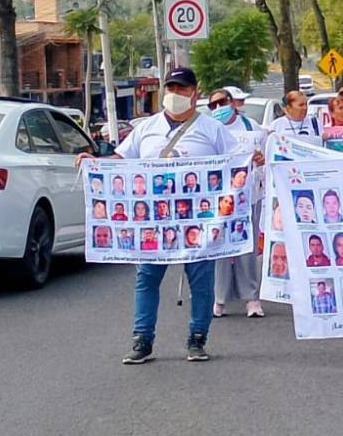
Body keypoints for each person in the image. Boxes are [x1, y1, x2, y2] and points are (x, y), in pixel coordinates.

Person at [75, 66, 236, 365]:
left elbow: (237, 163)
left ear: (194, 92)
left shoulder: (213, 130)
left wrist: (255, 160)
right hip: (152, 222)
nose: (176, 95)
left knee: (201, 282)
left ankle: (197, 338)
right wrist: (94, 162)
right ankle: (142, 340)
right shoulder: (146, 128)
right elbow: (119, 160)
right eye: (171, 88)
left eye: (182, 89)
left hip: (197, 222)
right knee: (146, 278)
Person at [208, 87, 269, 319]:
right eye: (212, 105)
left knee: (247, 247)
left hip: (248, 197)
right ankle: (220, 299)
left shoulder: (251, 128)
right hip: (219, 200)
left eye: (221, 102)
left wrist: (261, 162)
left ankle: (252, 299)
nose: (217, 108)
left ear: (232, 102)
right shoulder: (210, 128)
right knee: (220, 247)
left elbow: (264, 165)